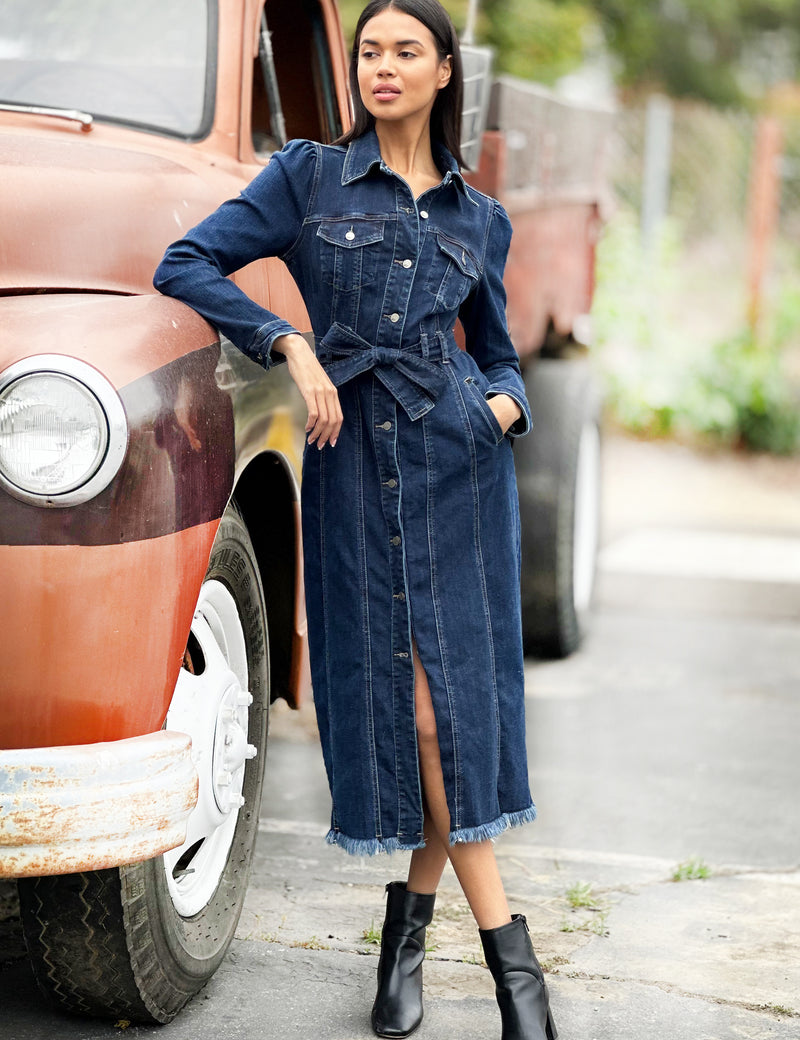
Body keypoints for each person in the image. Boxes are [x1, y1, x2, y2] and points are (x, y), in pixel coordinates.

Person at [154, 2, 556, 1037]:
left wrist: (499, 405)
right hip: (351, 473)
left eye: (402, 51)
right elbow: (186, 262)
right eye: (367, 50)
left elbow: (501, 351)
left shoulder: (478, 215)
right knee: (406, 713)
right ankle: (502, 969)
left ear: (439, 73)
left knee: (442, 716)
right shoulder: (306, 176)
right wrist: (288, 343)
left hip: (458, 473)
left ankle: (428, 951)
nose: (380, 66)